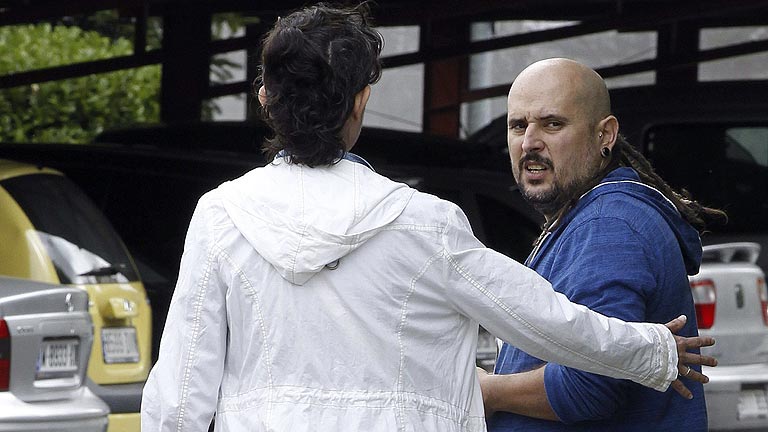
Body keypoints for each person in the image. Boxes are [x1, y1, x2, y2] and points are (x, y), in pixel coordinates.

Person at [140, 6, 715, 432]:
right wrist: (652, 352)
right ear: (361, 102)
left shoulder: (220, 217)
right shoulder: (422, 222)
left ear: (266, 99)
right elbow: (545, 321)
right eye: (519, 125)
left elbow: (181, 393)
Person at [480, 58, 726, 432]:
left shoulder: (607, 224)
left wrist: (488, 391)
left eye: (552, 124)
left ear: (605, 135)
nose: (529, 143)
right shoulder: (590, 215)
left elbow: (591, 384)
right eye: (518, 126)